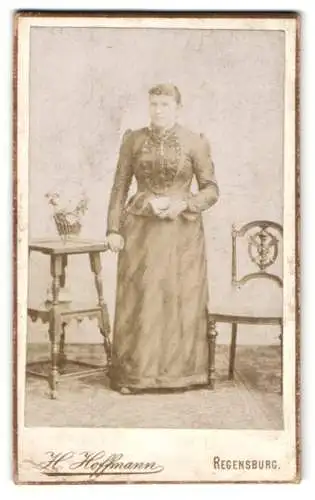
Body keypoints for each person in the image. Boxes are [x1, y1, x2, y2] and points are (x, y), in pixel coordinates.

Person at [105, 83, 219, 394]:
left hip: (182, 234)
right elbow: (120, 186)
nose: (158, 110)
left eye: (165, 105)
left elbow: (211, 189)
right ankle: (135, 377)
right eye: (154, 104)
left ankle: (183, 375)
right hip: (141, 231)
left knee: (179, 297)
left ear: (177, 108)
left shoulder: (195, 142)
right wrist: (113, 229)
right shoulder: (133, 140)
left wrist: (185, 203)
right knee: (142, 300)